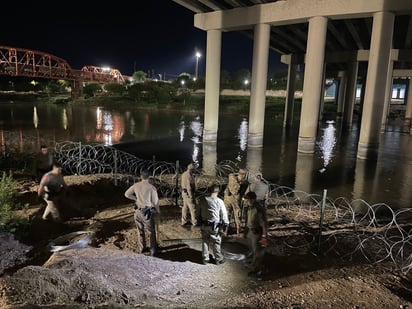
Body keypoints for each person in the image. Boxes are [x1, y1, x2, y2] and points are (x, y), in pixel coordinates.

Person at [124, 169, 160, 257]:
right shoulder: (151, 187)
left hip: (137, 211)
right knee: (151, 232)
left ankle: (142, 248)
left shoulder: (136, 185)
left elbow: (127, 194)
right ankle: (153, 251)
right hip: (147, 212)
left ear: (141, 177)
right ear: (149, 177)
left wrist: (135, 198)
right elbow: (155, 202)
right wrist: (158, 211)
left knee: (140, 230)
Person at [197, 185, 229, 265]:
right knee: (216, 242)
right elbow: (224, 214)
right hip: (215, 226)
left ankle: (205, 259)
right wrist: (225, 224)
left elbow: (198, 212)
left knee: (205, 241)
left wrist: (199, 221)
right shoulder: (219, 201)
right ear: (217, 192)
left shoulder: (202, 200)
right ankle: (218, 259)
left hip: (204, 224)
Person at [243, 191, 268, 277]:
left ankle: (256, 269)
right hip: (250, 231)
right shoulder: (250, 208)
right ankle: (253, 265)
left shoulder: (258, 209)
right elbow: (247, 221)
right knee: (252, 249)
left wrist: (264, 237)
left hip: (257, 233)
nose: (246, 202)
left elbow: (264, 224)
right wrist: (245, 232)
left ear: (253, 199)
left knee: (258, 252)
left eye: (248, 200)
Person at [224, 168, 249, 235]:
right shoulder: (233, 178)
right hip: (231, 199)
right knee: (230, 214)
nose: (241, 175)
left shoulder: (233, 177)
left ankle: (236, 230)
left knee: (236, 215)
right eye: (241, 174)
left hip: (233, 199)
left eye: (242, 174)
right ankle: (228, 230)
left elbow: (242, 192)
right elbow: (236, 191)